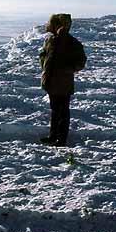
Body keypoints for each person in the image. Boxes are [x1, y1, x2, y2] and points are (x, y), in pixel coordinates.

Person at [39, 13, 86, 146]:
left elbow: (80, 62)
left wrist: (65, 70)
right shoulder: (51, 40)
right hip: (51, 81)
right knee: (55, 110)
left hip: (63, 82)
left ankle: (61, 139)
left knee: (63, 111)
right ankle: (53, 136)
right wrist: (43, 60)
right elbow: (46, 58)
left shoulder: (71, 42)